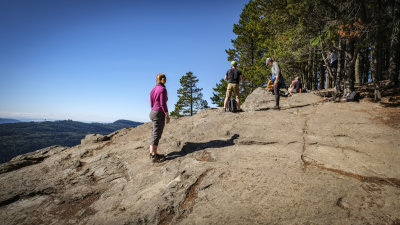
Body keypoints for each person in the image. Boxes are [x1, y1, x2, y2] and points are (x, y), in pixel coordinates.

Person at [149, 73, 170, 163]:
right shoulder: (162, 89)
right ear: (163, 80)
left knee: (154, 133)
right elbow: (163, 104)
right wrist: (167, 115)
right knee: (157, 134)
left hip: (153, 111)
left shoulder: (153, 89)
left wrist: (154, 109)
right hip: (159, 113)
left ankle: (152, 153)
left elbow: (151, 102)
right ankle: (154, 155)